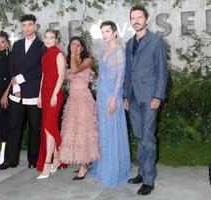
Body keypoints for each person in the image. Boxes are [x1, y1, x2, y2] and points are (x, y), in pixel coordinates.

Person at [123, 5, 168, 195]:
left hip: (150, 97)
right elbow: (128, 72)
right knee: (139, 136)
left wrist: (158, 95)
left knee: (148, 139)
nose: (136, 20)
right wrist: (125, 95)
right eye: (133, 17)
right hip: (133, 97)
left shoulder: (156, 41)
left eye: (139, 17)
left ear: (147, 19)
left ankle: (149, 179)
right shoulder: (129, 44)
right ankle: (141, 172)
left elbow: (162, 71)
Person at [0, 14, 45, 170]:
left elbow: (40, 69)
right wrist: (15, 87)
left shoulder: (42, 46)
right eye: (24, 25)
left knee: (34, 128)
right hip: (16, 93)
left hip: (33, 93)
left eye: (30, 25)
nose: (27, 28)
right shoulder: (16, 45)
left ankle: (33, 160)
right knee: (13, 127)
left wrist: (21, 79)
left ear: (35, 26)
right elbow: (12, 67)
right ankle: (10, 160)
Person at [89, 21, 131, 187]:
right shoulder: (102, 51)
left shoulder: (120, 51)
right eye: (103, 31)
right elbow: (101, 75)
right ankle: (104, 166)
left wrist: (115, 98)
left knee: (113, 130)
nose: (104, 34)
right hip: (101, 94)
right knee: (103, 131)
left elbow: (121, 77)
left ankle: (115, 169)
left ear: (115, 32)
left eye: (107, 31)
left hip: (113, 96)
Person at [59, 36, 100, 180]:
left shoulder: (88, 60)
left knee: (84, 131)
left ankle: (84, 165)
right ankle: (81, 160)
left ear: (82, 47)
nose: (74, 46)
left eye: (77, 44)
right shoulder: (68, 61)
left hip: (84, 99)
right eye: (72, 44)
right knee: (73, 131)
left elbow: (75, 70)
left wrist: (75, 55)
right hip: (72, 100)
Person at [36, 29, 66, 179]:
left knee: (49, 127)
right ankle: (56, 159)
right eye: (46, 37)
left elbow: (61, 76)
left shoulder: (59, 54)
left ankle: (47, 163)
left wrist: (54, 94)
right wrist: (40, 95)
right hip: (45, 94)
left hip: (55, 95)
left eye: (51, 37)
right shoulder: (45, 55)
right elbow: (43, 76)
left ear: (56, 39)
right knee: (49, 127)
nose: (48, 40)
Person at [0, 31, 12, 169]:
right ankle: (3, 155)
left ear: (7, 43)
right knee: (1, 123)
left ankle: (5, 157)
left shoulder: (11, 58)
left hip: (8, 91)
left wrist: (6, 94)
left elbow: (13, 77)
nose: (0, 44)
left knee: (7, 124)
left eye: (2, 42)